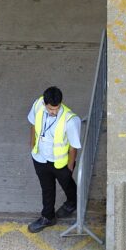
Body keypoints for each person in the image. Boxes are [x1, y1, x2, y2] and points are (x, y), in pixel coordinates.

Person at [26, 86, 81, 234]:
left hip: (60, 163)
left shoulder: (70, 120)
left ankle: (72, 202)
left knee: (67, 184)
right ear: (45, 104)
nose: (54, 112)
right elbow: (33, 125)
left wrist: (69, 167)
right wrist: (32, 146)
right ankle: (48, 217)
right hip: (40, 159)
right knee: (47, 188)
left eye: (56, 109)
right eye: (51, 109)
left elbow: (73, 147)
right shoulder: (38, 105)